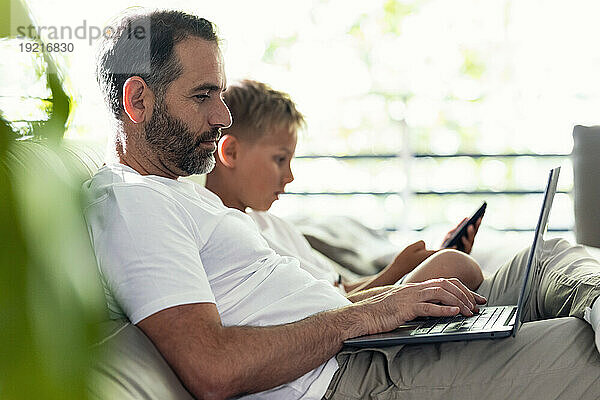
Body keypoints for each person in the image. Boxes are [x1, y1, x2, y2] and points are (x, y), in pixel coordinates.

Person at [83, 9, 600, 400]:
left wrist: (384, 307)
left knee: (550, 259)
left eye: (220, 94)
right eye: (202, 97)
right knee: (582, 353)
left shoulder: (177, 193)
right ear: (138, 100)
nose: (223, 117)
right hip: (353, 379)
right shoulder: (133, 205)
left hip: (367, 350)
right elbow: (212, 368)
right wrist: (375, 312)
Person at [205, 79, 485, 294]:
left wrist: (404, 269)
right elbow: (323, 312)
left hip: (364, 306)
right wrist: (397, 272)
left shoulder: (276, 228)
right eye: (280, 159)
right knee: (453, 265)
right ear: (231, 153)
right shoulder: (232, 241)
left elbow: (341, 290)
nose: (289, 176)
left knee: (455, 265)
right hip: (353, 335)